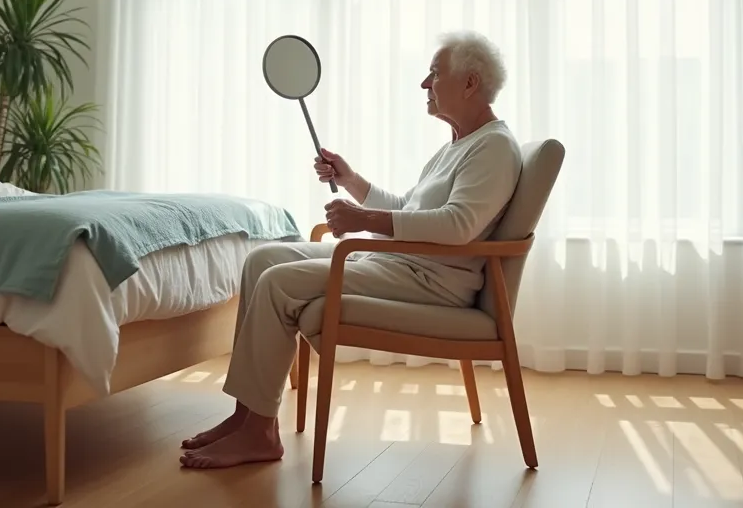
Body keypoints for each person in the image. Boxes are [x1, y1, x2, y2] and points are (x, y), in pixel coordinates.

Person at [178, 30, 524, 470]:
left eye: (434, 74)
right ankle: (246, 415)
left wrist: (364, 222)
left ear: (470, 83)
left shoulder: (494, 147)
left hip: (429, 282)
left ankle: (261, 433)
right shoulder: (458, 144)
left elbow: (457, 226)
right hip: (397, 264)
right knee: (262, 259)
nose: (424, 84)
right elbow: (407, 208)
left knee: (278, 282)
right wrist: (352, 181)